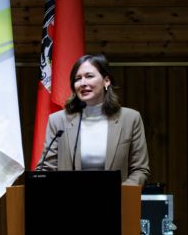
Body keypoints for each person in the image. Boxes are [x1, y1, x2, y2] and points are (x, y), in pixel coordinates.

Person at [34, 53, 151, 186]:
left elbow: (140, 170)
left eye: (89, 76)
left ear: (106, 81)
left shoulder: (130, 119)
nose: (83, 83)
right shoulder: (58, 120)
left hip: (117, 197)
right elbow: (46, 169)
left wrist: (119, 193)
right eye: (78, 79)